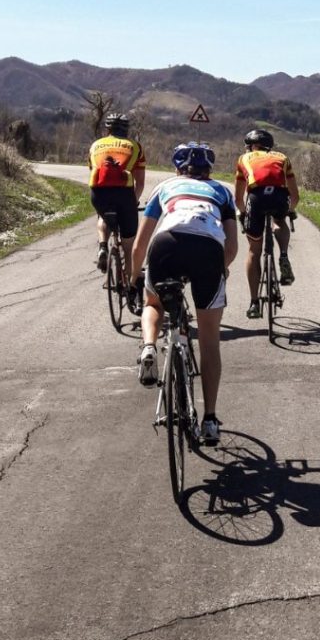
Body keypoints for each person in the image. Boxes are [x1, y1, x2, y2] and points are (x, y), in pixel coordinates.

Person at [130, 141, 238, 445]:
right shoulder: (222, 192)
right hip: (208, 249)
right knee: (209, 340)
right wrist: (222, 267)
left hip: (167, 244)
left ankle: (149, 346)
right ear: (209, 169)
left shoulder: (166, 186)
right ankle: (210, 420)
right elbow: (232, 247)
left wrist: (132, 278)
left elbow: (140, 243)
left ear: (179, 168)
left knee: (153, 303)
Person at [235, 128, 299, 320]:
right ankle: (284, 256)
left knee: (254, 250)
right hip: (279, 197)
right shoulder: (282, 157)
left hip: (256, 198)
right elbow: (295, 196)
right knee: (279, 221)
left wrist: (243, 214)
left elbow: (238, 198)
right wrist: (289, 210)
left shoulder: (243, 159)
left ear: (252, 146)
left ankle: (254, 303)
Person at [88, 113, 145, 302]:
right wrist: (133, 203)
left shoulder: (95, 145)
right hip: (124, 193)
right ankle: (130, 285)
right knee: (128, 247)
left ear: (108, 129)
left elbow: (93, 172)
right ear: (126, 130)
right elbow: (141, 183)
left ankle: (103, 245)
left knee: (103, 217)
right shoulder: (135, 147)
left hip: (98, 192)